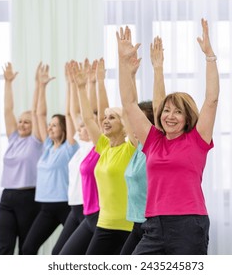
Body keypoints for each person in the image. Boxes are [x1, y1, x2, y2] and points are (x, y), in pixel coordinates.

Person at [117, 18, 219, 255]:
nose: (170, 116)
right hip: (153, 225)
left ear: (187, 117)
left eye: (178, 111)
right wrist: (123, 64)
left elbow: (211, 100)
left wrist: (209, 56)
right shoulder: (153, 141)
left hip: (189, 226)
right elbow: (129, 104)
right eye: (166, 110)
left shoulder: (197, 139)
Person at [70, 61, 135, 255]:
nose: (105, 120)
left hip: (128, 227)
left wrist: (127, 74)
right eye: (105, 118)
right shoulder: (103, 146)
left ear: (124, 124)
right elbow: (90, 118)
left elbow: (130, 108)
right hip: (104, 223)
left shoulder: (130, 148)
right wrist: (82, 87)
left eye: (112, 117)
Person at [22, 63, 79, 255]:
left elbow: (70, 115)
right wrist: (41, 86)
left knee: (62, 253)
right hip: (45, 206)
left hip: (65, 206)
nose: (50, 128)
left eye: (55, 125)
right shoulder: (47, 147)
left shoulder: (70, 148)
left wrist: (70, 84)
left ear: (63, 128)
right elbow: (39, 114)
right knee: (28, 248)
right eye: (50, 125)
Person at [120, 35, 166, 255]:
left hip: (155, 224)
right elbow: (128, 107)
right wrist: (128, 72)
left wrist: (158, 69)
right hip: (137, 223)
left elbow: (158, 109)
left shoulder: (155, 145)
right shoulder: (137, 146)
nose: (133, 124)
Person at [59, 58, 107, 255]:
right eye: (80, 127)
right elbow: (72, 113)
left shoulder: (98, 145)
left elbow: (94, 115)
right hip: (77, 208)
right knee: (58, 254)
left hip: (93, 210)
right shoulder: (81, 145)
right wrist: (72, 84)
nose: (81, 128)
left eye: (86, 126)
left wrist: (92, 83)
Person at [0, 62, 43, 255]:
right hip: (7, 197)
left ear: (34, 125)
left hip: (28, 198)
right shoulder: (14, 138)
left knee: (26, 249)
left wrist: (39, 86)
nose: (22, 124)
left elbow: (36, 111)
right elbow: (8, 110)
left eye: (27, 122)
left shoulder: (37, 140)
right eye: (21, 121)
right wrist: (8, 83)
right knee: (5, 248)